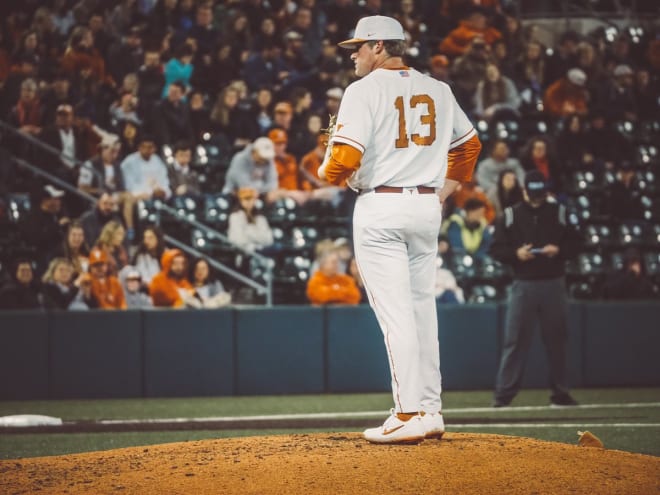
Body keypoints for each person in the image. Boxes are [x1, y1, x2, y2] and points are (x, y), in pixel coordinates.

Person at [318, 15, 481, 444]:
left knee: (397, 317)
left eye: (358, 47)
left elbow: (343, 162)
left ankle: (408, 412)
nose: (352, 54)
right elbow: (469, 146)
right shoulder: (439, 89)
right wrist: (441, 193)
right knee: (421, 310)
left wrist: (325, 165)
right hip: (426, 207)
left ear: (379, 47)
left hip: (382, 207)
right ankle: (430, 409)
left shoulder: (362, 90)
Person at [489, 171, 581, 408]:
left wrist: (558, 250)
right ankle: (503, 396)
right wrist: (516, 255)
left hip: (554, 281)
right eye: (534, 193)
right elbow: (496, 249)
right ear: (525, 190)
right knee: (515, 340)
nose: (538, 198)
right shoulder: (510, 215)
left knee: (557, 340)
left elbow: (577, 243)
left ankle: (560, 393)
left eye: (541, 193)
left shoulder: (559, 212)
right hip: (524, 283)